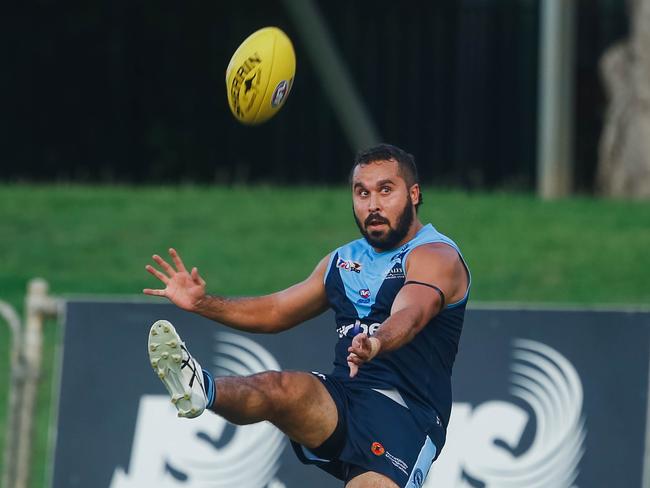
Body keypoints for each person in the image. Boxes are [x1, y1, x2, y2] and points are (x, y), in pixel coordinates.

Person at [143, 143, 470, 488]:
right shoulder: (341, 261)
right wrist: (202, 303)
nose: (373, 205)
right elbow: (275, 312)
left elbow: (413, 313)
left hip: (405, 416)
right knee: (279, 388)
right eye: (362, 193)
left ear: (414, 194)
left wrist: (376, 342)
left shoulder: (436, 255)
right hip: (344, 398)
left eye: (385, 190)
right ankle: (202, 390)